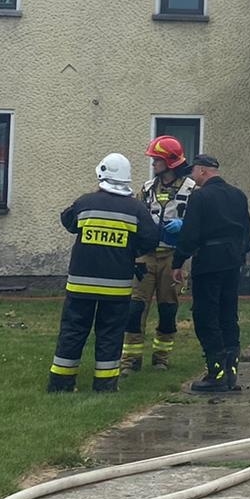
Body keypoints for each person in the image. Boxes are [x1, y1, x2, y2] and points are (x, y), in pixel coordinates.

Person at [49, 153, 157, 393]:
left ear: (102, 174)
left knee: (73, 332)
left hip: (80, 285)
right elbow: (151, 239)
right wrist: (131, 250)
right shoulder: (136, 209)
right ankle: (105, 386)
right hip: (115, 287)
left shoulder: (85, 202)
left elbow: (68, 222)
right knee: (110, 334)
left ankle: (60, 384)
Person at [172, 154, 250, 394]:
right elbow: (247, 231)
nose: (191, 177)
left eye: (193, 172)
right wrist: (239, 253)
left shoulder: (200, 197)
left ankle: (215, 373)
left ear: (203, 171)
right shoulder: (238, 195)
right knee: (228, 314)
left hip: (209, 260)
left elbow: (190, 232)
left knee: (206, 315)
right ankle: (230, 373)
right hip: (232, 262)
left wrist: (178, 261)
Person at [123, 135, 197, 372]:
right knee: (135, 309)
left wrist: (184, 226)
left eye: (157, 159)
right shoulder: (146, 189)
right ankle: (131, 360)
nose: (153, 163)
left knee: (167, 309)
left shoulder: (191, 190)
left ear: (170, 162)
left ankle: (161, 358)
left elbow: (200, 222)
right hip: (146, 256)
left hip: (173, 258)